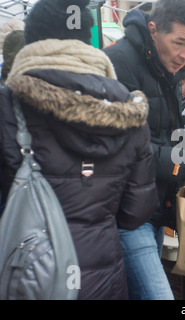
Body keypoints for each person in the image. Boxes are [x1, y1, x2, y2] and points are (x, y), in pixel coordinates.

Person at [0, 0, 158, 300]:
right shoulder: (131, 109)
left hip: (26, 278)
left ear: (33, 40)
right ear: (88, 40)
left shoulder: (8, 105)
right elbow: (134, 213)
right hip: (104, 278)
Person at [104, 0, 185, 300]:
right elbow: (129, 145)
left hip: (153, 204)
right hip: (126, 211)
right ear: (153, 30)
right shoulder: (118, 63)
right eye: (179, 43)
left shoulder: (161, 63)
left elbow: (168, 126)